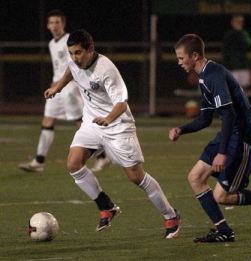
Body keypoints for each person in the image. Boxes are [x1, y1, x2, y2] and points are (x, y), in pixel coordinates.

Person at [44, 29, 180, 238]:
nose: (74, 58)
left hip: (118, 125)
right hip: (92, 123)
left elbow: (121, 103)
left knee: (136, 177)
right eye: (71, 53)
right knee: (73, 163)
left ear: (91, 49)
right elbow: (71, 71)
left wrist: (108, 119)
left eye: (78, 53)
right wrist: (57, 87)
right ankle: (106, 207)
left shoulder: (106, 69)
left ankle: (170, 215)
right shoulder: (74, 62)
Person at [170, 34, 251, 243]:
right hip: (228, 133)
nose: (179, 62)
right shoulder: (204, 77)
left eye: (181, 58)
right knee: (195, 178)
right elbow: (206, 119)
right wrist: (182, 129)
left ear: (195, 56)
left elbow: (229, 114)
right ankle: (224, 230)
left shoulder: (213, 75)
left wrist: (222, 153)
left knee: (221, 197)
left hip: (242, 138)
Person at [18, 10, 109, 172]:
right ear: (47, 25)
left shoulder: (69, 41)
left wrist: (64, 84)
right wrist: (55, 84)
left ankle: (102, 157)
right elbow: (59, 67)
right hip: (57, 89)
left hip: (68, 89)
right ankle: (39, 161)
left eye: (57, 22)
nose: (54, 26)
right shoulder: (52, 44)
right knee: (47, 121)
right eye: (51, 23)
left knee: (80, 122)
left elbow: (74, 66)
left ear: (63, 24)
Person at [222, 14, 251, 87]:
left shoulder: (244, 34)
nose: (240, 23)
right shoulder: (229, 35)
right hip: (231, 67)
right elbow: (225, 52)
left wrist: (240, 33)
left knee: (244, 90)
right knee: (232, 89)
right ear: (232, 23)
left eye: (241, 21)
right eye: (237, 21)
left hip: (243, 66)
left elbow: (249, 45)